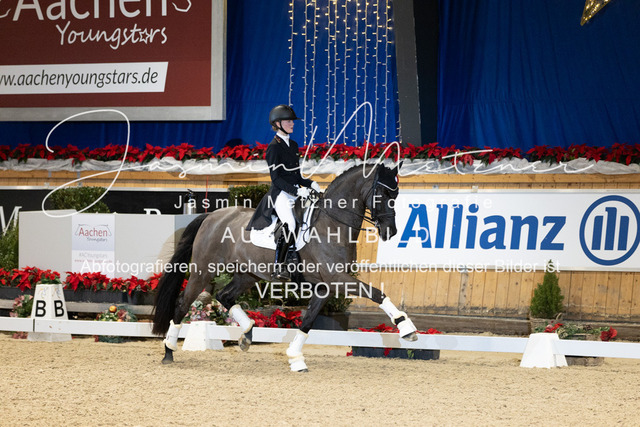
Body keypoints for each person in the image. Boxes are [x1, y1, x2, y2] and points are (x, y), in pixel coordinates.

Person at [246, 104, 321, 280]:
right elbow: (276, 179)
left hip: (294, 192)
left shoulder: (293, 145)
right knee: (291, 223)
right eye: (288, 121)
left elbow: (296, 175)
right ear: (278, 123)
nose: (292, 124)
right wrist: (297, 191)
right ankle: (279, 266)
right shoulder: (274, 147)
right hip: (280, 193)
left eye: (292, 121)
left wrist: (310, 183)